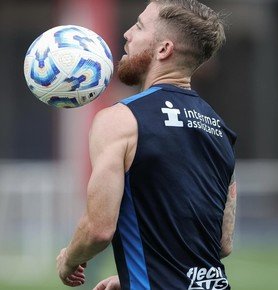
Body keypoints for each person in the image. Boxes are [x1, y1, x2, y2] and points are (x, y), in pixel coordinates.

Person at [56, 0, 237, 289]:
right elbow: (222, 242)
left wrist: (68, 259)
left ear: (163, 49)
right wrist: (135, 276)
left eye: (139, 26)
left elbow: (98, 229)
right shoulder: (220, 129)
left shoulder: (120, 119)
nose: (127, 33)